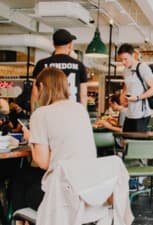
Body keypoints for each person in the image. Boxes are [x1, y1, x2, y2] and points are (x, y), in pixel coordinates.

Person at [16, 68, 96, 220]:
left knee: (18, 181)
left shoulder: (41, 114)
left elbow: (43, 163)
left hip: (61, 197)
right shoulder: (80, 109)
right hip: (88, 192)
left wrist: (31, 137)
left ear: (41, 87)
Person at [31, 29, 88, 112]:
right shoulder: (79, 65)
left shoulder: (42, 64)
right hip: (72, 112)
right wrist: (83, 115)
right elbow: (83, 95)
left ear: (53, 44)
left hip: (48, 112)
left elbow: (35, 93)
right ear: (70, 45)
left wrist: (34, 114)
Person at [117, 43, 153, 132]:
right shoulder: (125, 70)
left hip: (142, 113)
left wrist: (137, 98)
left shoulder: (142, 67)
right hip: (130, 112)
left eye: (125, 59)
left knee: (136, 143)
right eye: (121, 59)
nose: (123, 62)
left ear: (133, 56)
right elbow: (127, 84)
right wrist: (123, 95)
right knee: (125, 139)